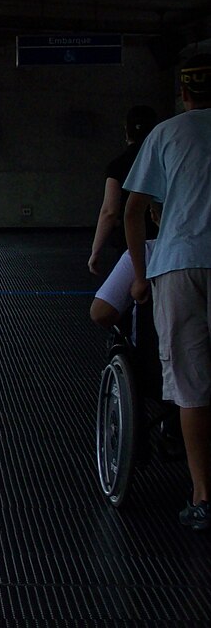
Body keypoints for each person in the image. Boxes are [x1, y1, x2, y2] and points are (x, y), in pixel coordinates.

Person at [124, 53, 211, 530]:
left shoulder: (166, 133)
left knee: (193, 385)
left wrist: (140, 275)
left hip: (179, 265)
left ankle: (203, 495)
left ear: (184, 94)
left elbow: (133, 210)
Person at [88, 105, 158, 275]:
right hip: (163, 241)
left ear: (127, 130)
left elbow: (109, 211)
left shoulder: (118, 165)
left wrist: (95, 251)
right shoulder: (163, 163)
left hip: (130, 244)